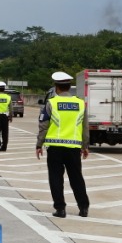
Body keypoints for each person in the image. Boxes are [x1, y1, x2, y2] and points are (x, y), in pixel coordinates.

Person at [35, 70, 90, 218]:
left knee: (56, 178)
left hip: (55, 148)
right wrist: (85, 146)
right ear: (69, 87)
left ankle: (60, 209)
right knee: (76, 178)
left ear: (56, 87)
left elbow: (43, 126)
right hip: (73, 148)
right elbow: (85, 127)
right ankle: (83, 208)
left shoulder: (51, 103)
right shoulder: (80, 103)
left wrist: (39, 144)